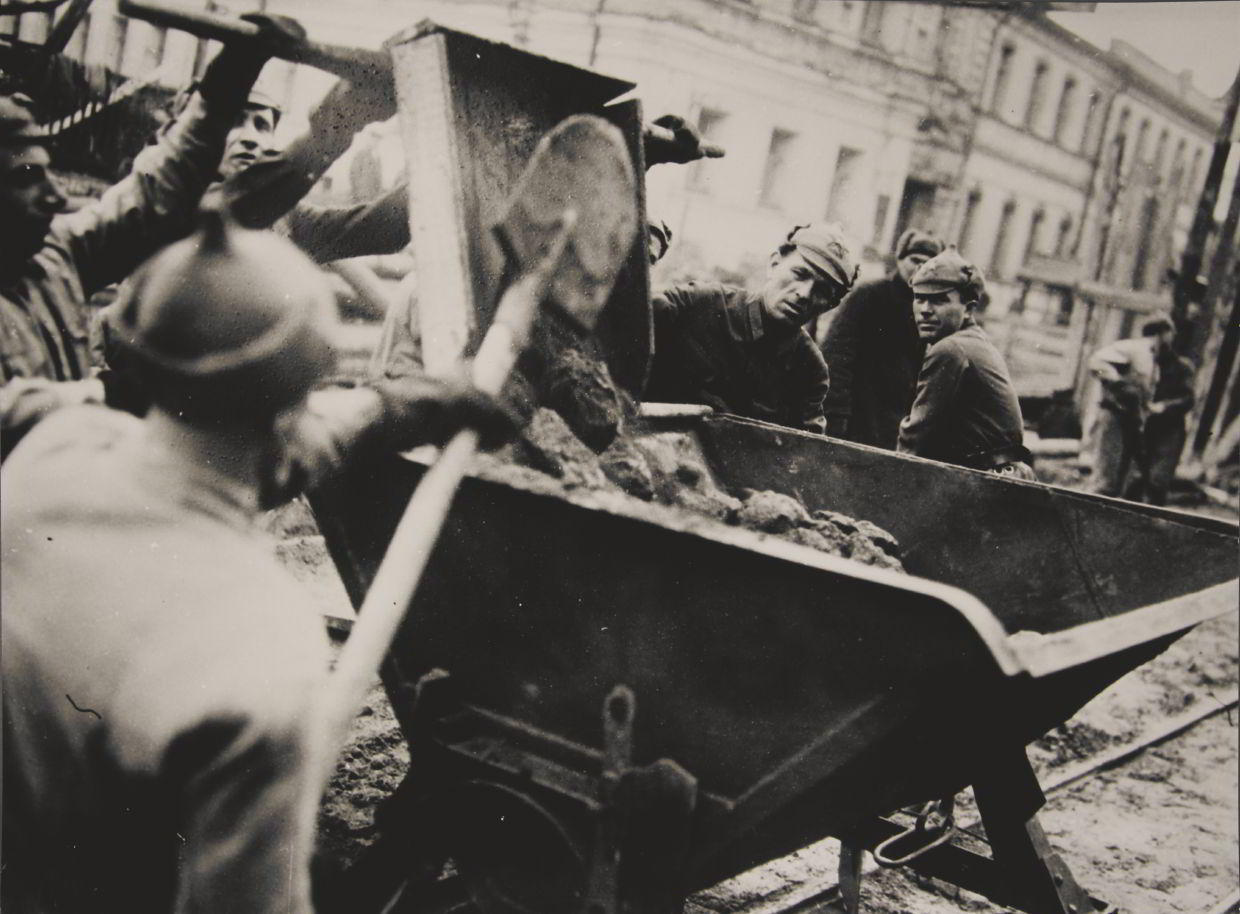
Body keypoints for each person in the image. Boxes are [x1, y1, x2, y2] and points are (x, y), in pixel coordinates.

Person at [1, 212, 516, 914]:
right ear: (294, 400)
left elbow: (212, 451)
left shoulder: (53, 449)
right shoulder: (261, 640)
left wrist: (385, 409)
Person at [0, 15, 300, 455]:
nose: (55, 195)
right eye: (26, 177)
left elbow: (156, 190)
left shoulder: (55, 254)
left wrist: (232, 74)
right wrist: (104, 396)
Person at [643, 222, 858, 434]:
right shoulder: (698, 304)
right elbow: (633, 315)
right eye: (799, 274)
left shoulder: (809, 370)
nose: (804, 293)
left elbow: (803, 453)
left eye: (821, 290)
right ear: (774, 264)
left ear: (830, 305)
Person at [897, 249, 1034, 479]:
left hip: (988, 482)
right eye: (919, 298)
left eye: (939, 300)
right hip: (1001, 476)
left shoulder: (951, 349)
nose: (925, 310)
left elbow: (915, 439)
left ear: (969, 308)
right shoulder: (972, 341)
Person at [821, 228, 944, 447]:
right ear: (899, 259)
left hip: (896, 425)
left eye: (928, 264)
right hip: (857, 416)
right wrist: (836, 416)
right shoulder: (869, 295)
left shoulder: (929, 309)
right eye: (914, 259)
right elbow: (836, 356)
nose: (919, 268)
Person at [1086, 313, 1181, 500]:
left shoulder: (1154, 360)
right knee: (1106, 479)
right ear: (1163, 332)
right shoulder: (1133, 347)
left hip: (1134, 422)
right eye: (1171, 333)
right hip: (1116, 416)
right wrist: (1118, 383)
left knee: (1126, 482)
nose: (1172, 339)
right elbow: (1096, 361)